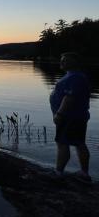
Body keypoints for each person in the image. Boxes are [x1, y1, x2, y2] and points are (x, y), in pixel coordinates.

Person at [49, 52, 91, 181]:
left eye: (66, 60)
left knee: (62, 143)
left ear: (75, 62)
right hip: (76, 116)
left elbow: (69, 98)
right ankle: (84, 173)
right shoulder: (73, 76)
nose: (62, 62)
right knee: (79, 143)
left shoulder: (75, 77)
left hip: (69, 117)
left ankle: (58, 173)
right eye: (62, 60)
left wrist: (59, 114)